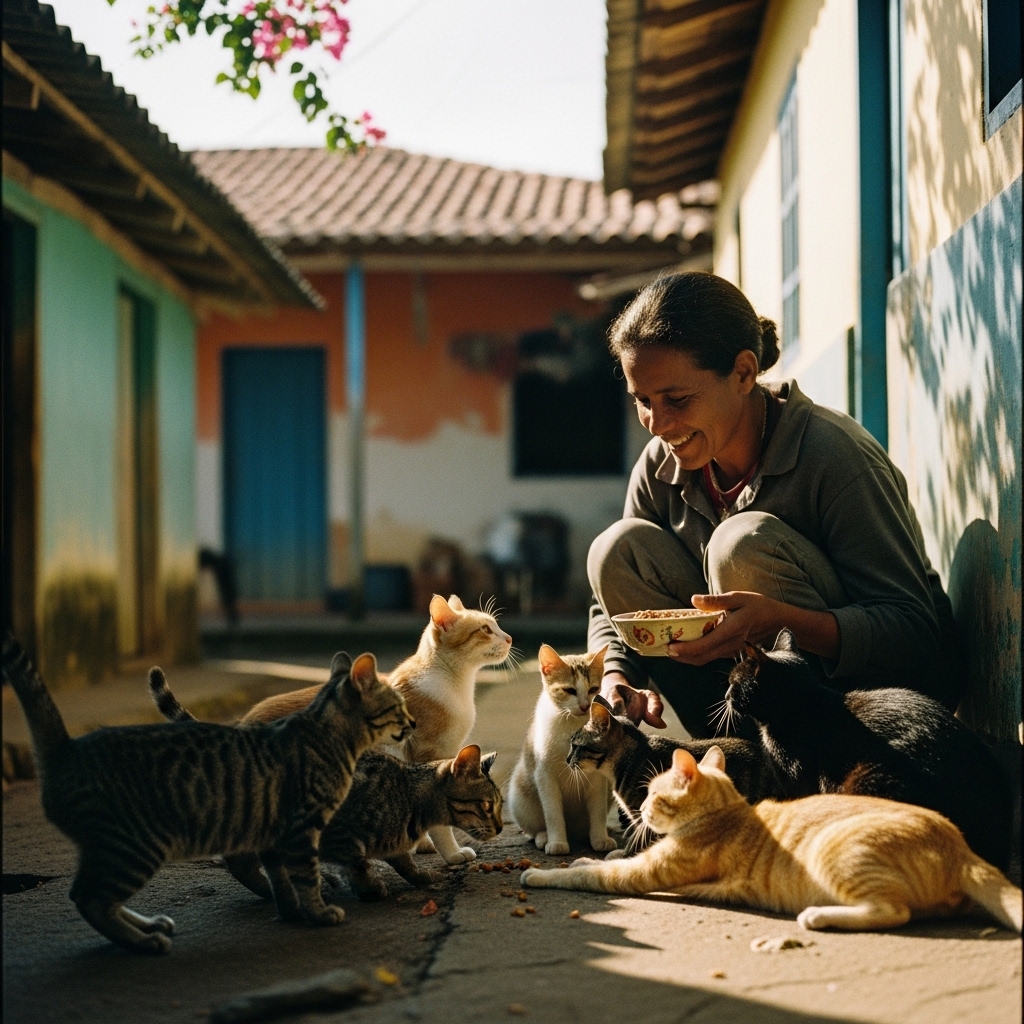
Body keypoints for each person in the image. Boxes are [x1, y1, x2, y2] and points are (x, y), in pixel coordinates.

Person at [587, 272, 963, 739]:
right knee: (616, 550)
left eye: (677, 399)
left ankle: (808, 766)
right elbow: (613, 606)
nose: (657, 423)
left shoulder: (835, 456)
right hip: (748, 706)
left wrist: (784, 622)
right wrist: (616, 676)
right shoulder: (661, 463)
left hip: (876, 711)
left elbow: (914, 634)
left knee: (739, 545)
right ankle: (741, 755)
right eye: (642, 400)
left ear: (743, 373)